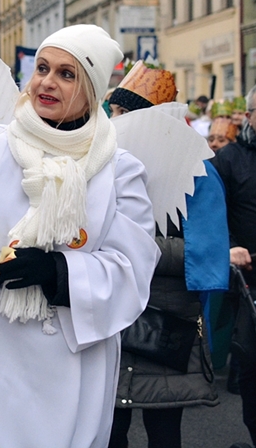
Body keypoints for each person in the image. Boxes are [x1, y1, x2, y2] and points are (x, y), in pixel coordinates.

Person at [0, 25, 159, 447]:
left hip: (68, 356)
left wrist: (56, 270)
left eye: (67, 74)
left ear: (94, 88)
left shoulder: (119, 168)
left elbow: (132, 267)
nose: (46, 82)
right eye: (42, 68)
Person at [106, 61, 228, 448]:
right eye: (114, 112)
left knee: (163, 431)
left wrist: (133, 245)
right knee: (109, 430)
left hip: (165, 320)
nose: (115, 121)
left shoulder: (197, 171)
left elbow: (206, 254)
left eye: (123, 113)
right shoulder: (109, 161)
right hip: (116, 312)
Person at [211, 85, 256, 446]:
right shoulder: (229, 159)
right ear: (250, 116)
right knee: (250, 367)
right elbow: (209, 212)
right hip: (248, 283)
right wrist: (229, 247)